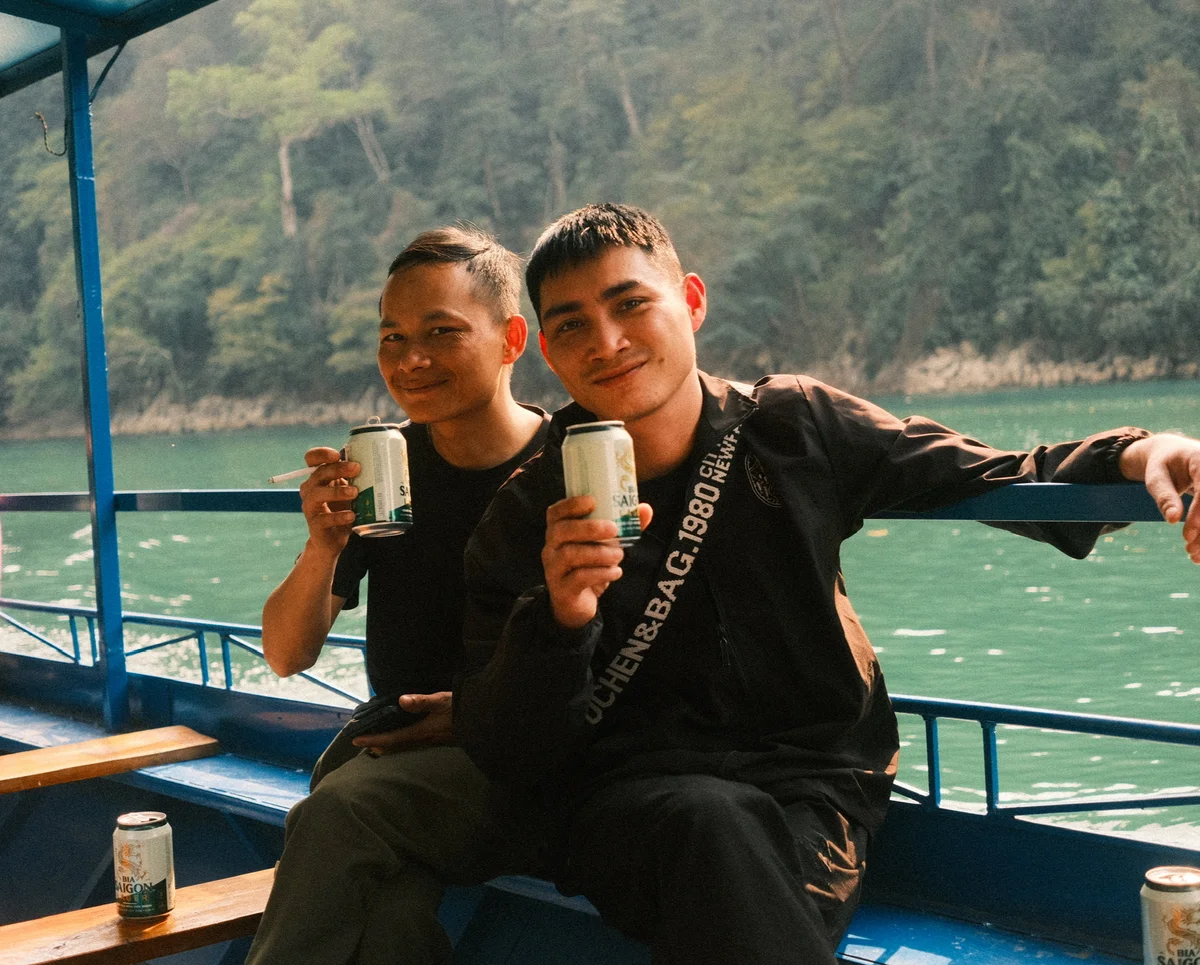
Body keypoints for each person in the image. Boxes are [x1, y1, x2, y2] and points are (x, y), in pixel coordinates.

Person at [453, 203, 1200, 965]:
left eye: (631, 304)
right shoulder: (528, 513)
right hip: (626, 803)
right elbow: (502, 747)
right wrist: (559, 618)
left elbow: (993, 472)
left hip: (816, 785)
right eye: (573, 325)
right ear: (549, 349)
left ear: (692, 301)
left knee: (744, 870)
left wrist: (1140, 454)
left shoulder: (791, 426)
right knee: (713, 825)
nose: (607, 342)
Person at [245, 226, 549, 965]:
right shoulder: (389, 469)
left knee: (339, 813)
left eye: (442, 333)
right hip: (395, 759)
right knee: (388, 921)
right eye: (393, 337)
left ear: (512, 339)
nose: (411, 360)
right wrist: (323, 545)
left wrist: (473, 715)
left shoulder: (566, 466)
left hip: (520, 758)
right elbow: (287, 653)